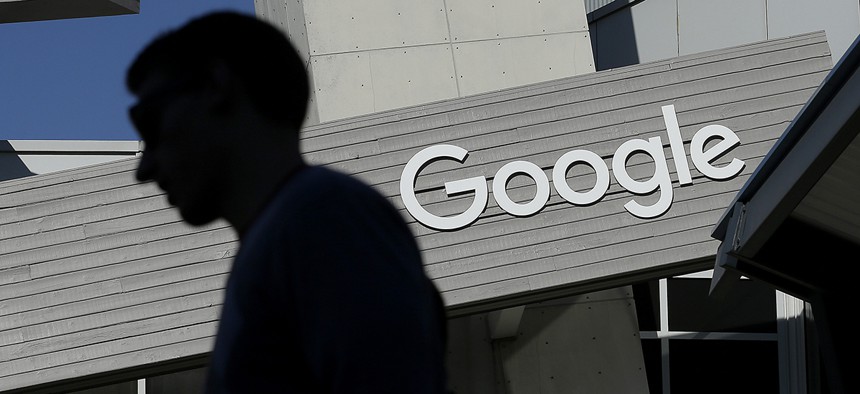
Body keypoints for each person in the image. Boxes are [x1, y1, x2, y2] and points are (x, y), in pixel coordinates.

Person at [126, 11, 448, 393]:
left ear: (216, 85)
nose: (143, 170)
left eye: (149, 122)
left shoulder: (324, 218)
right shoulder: (302, 227)